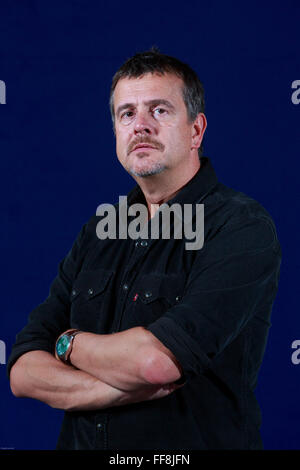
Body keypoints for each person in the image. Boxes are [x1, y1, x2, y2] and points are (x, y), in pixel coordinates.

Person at [7, 48, 282, 450]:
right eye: (127, 114)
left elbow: (155, 363)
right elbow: (23, 372)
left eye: (160, 111)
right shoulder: (100, 232)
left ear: (196, 130)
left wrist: (67, 343)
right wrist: (114, 389)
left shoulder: (240, 226)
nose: (141, 126)